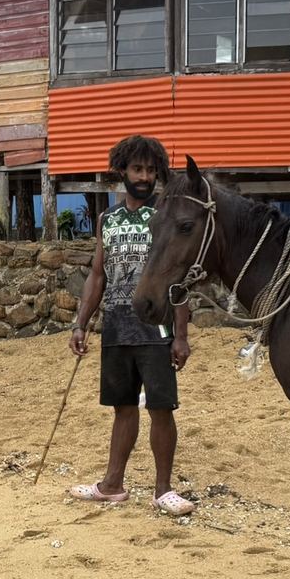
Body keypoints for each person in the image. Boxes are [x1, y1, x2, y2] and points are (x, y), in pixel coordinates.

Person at [67, 135, 196, 516]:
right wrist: (80, 323)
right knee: (123, 408)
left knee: (161, 408)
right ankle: (111, 485)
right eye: (137, 169)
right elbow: (96, 275)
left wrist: (182, 335)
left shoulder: (165, 214)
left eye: (151, 170)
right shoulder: (107, 219)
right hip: (116, 328)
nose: (145, 176)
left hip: (156, 329)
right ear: (122, 170)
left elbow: (179, 277)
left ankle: (163, 490)